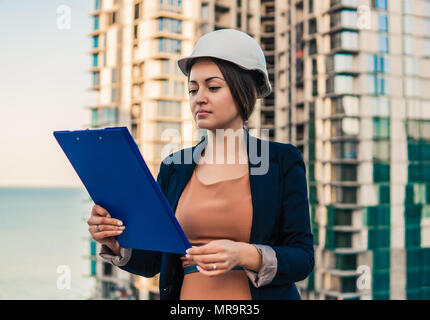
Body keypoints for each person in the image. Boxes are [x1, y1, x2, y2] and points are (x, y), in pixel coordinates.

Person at [87, 28, 314, 300]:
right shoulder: (174, 166)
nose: (199, 98)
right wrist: (115, 243)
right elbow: (152, 263)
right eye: (193, 89)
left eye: (213, 87)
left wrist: (243, 253)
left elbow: (302, 258)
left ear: (246, 92)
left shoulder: (282, 161)